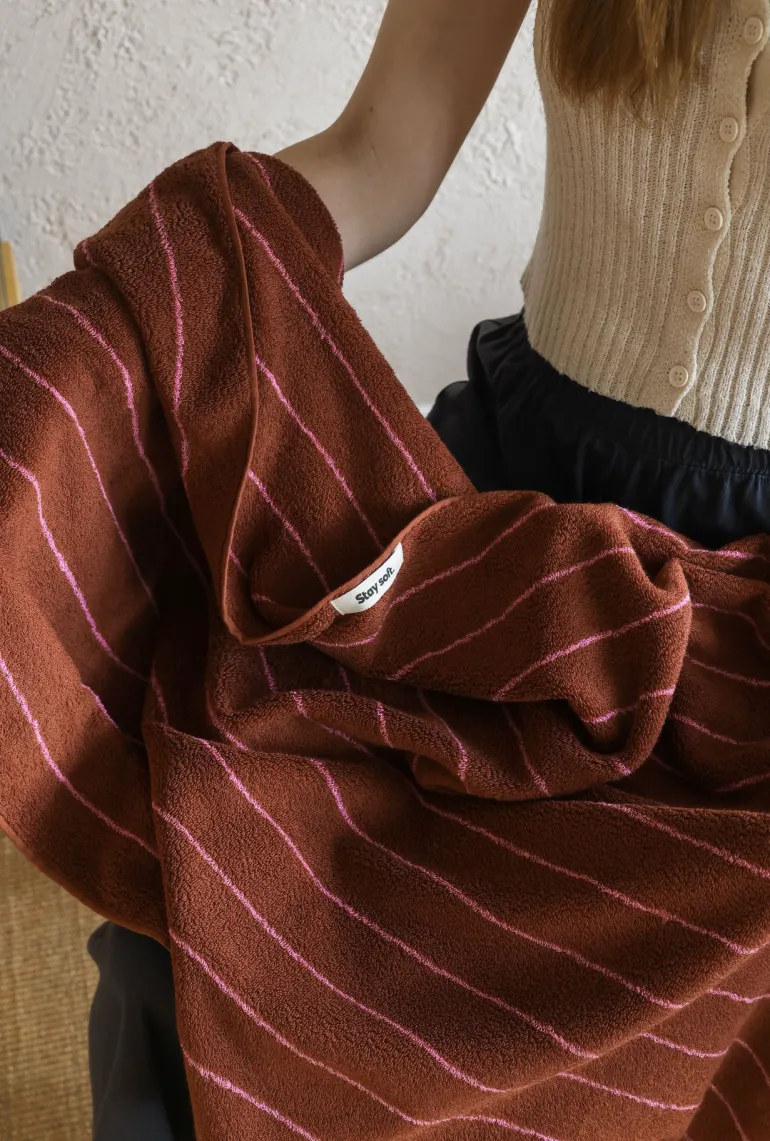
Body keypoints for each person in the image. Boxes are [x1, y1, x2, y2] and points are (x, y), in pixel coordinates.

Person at [88, 0, 770, 1135]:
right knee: (203, 880)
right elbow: (376, 153)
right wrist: (142, 302)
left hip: (744, 638)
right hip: (491, 520)